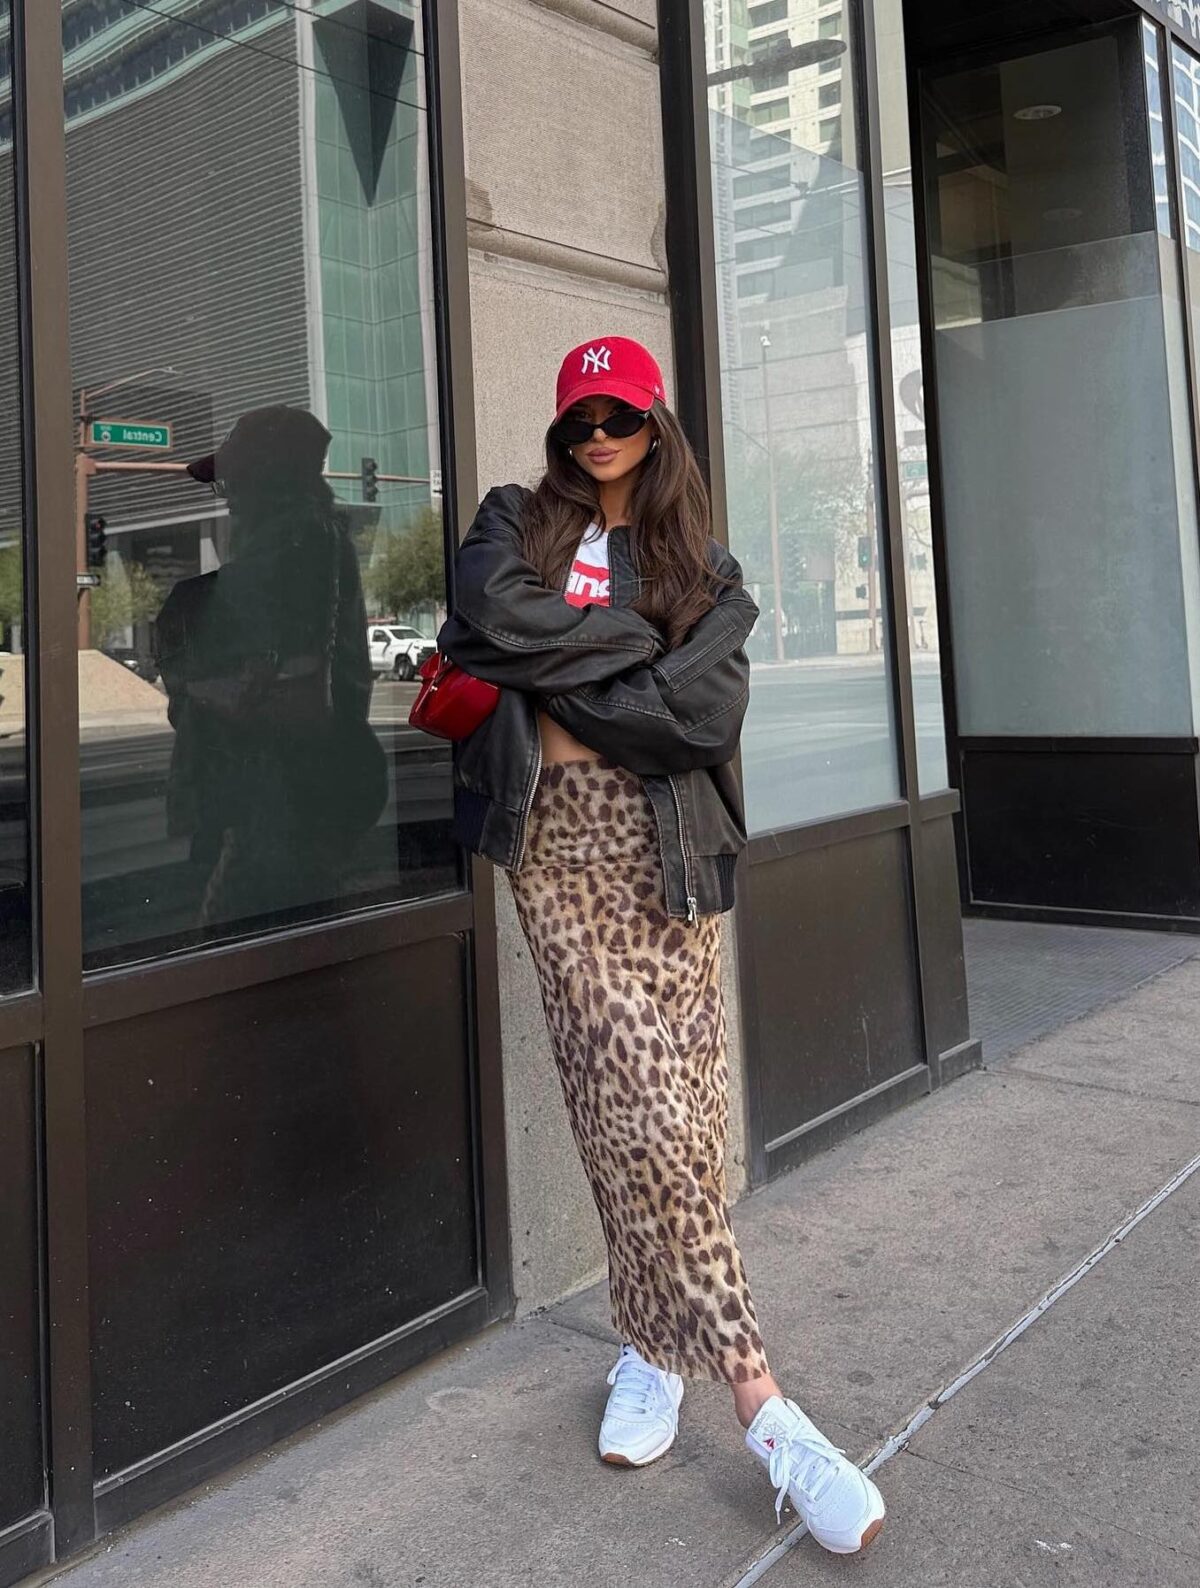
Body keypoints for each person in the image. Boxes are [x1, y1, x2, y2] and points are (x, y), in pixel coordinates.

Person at [436, 338, 885, 1555]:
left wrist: (556, 666)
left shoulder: (704, 560)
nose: (596, 434)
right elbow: (484, 620)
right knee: (625, 1104)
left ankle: (650, 1342)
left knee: (676, 1117)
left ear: (655, 423)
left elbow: (703, 715)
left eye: (618, 415)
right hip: (557, 854)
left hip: (667, 852)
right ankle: (763, 1401)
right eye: (578, 414)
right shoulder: (512, 520)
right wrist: (637, 647)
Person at [154, 404, 385, 930]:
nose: (229, 498)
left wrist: (179, 614)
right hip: (295, 783)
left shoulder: (299, 541)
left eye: (236, 483)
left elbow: (237, 613)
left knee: (243, 930)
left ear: (271, 483)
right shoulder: (317, 539)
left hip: (283, 791)